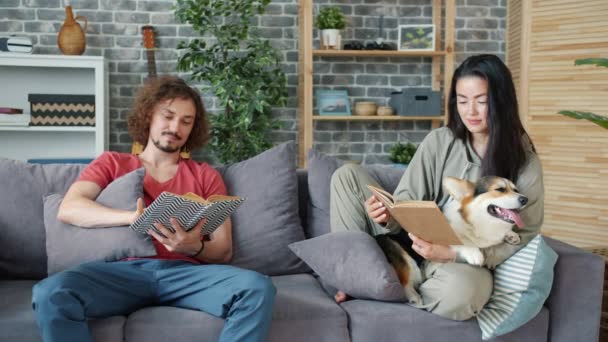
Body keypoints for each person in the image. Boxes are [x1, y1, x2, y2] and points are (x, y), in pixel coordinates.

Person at [31, 76, 276, 342]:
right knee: (51, 292)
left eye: (186, 121)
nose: (175, 127)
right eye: (167, 116)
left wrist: (194, 247)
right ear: (149, 115)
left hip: (187, 274)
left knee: (257, 287)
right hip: (121, 274)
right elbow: (70, 207)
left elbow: (224, 249)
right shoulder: (112, 162)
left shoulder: (205, 175)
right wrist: (132, 218)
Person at [329, 54, 544, 321]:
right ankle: (359, 276)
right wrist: (387, 216)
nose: (470, 111)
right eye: (462, 101)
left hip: (457, 259)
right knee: (346, 175)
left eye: (482, 101)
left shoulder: (525, 161)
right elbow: (407, 199)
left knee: (465, 293)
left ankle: (384, 284)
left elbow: (525, 235)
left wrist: (454, 254)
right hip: (410, 241)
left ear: (502, 102)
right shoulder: (440, 140)